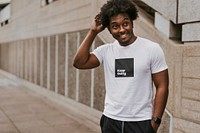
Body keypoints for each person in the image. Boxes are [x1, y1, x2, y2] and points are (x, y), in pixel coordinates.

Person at [73, 0, 169, 132]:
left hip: (140, 122)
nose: (122, 29)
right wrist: (93, 32)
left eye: (125, 23)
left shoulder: (151, 49)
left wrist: (155, 122)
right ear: (109, 30)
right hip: (111, 120)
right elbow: (79, 63)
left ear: (132, 22)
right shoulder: (105, 51)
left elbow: (162, 86)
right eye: (115, 26)